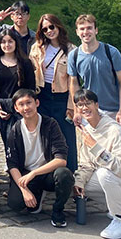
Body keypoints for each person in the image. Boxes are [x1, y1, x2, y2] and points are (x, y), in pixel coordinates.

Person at [73, 89, 121, 239]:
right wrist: (78, 182)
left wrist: (96, 147)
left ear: (96, 105)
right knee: (79, 181)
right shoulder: (87, 131)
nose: (84, 108)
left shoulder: (115, 130)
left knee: (104, 174)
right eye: (80, 105)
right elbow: (86, 164)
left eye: (88, 103)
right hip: (118, 180)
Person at [6, 89, 74, 228]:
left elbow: (61, 159)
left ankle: (58, 210)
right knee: (15, 204)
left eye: (29, 103)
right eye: (21, 104)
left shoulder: (50, 124)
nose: (26, 108)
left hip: (46, 173)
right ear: (16, 108)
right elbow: (12, 164)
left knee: (64, 174)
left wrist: (35, 173)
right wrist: (24, 190)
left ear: (37, 103)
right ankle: (36, 193)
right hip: (26, 174)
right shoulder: (15, 129)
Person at [29, 14, 78, 171]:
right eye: (45, 29)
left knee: (67, 137)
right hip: (42, 95)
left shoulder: (71, 50)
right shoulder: (37, 47)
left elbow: (73, 80)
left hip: (61, 97)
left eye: (52, 27)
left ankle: (71, 176)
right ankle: (45, 176)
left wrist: (72, 106)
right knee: (43, 136)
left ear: (58, 26)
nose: (49, 31)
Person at [68, 14, 121, 126]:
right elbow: (74, 84)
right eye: (82, 29)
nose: (86, 32)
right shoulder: (74, 56)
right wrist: (77, 111)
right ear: (77, 32)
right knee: (92, 144)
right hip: (88, 110)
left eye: (89, 28)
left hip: (113, 111)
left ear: (96, 30)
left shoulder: (111, 52)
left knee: (116, 143)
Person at [0, 30, 35, 145]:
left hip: (22, 106)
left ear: (16, 43)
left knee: (25, 141)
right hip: (3, 105)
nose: (7, 45)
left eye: (10, 41)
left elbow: (31, 88)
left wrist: (24, 106)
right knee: (8, 142)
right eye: (3, 42)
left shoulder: (25, 62)